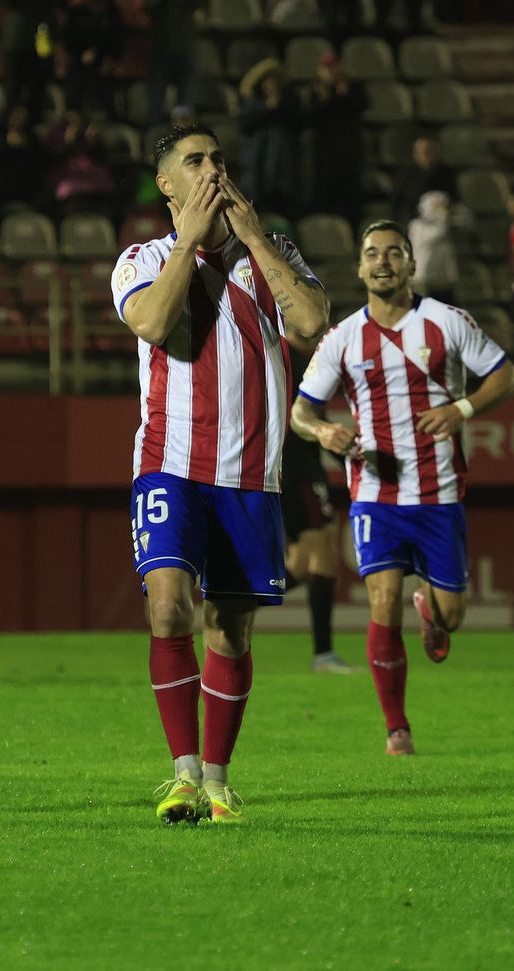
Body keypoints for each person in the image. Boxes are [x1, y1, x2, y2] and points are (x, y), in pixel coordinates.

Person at [112, 123, 329, 824]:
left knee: (230, 630)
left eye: (220, 160)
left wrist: (258, 238)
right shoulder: (142, 256)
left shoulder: (271, 255)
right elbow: (151, 322)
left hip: (249, 471)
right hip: (169, 463)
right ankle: (179, 775)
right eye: (196, 162)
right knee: (169, 603)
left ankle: (216, 780)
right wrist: (189, 241)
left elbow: (311, 323)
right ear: (167, 184)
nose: (213, 170)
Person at [293, 221, 514, 755]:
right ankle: (397, 727)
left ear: (411, 265)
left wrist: (461, 408)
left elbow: (507, 377)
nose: (382, 262)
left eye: (394, 253)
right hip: (375, 494)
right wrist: (325, 430)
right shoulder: (343, 338)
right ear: (359, 268)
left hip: (439, 493)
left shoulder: (447, 322)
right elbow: (301, 412)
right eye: (372, 253)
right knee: (382, 598)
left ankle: (434, 613)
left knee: (452, 616)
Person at [280, 337, 348, 674]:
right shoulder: (287, 357)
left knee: (303, 565)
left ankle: (232, 600)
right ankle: (323, 655)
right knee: (321, 558)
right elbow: (301, 422)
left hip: (293, 471)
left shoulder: (291, 357)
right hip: (297, 473)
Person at [305, 52, 367, 222]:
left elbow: (363, 105)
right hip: (325, 153)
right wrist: (326, 99)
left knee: (350, 197)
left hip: (350, 151)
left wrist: (346, 93)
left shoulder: (352, 87)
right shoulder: (316, 89)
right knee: (324, 195)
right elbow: (309, 118)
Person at [237, 58, 302, 215]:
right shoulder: (253, 103)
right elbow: (244, 126)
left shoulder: (288, 102)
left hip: (283, 164)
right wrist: (267, 108)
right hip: (258, 163)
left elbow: (298, 123)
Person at [144, 0, 203, 122]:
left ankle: (182, 135)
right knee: (156, 99)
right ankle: (155, 135)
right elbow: (149, 8)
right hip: (161, 53)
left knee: (185, 100)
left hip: (185, 52)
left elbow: (198, 2)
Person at [61, 0, 124, 118]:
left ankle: (109, 119)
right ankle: (74, 117)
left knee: (106, 95)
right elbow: (68, 39)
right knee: (76, 91)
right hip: (79, 63)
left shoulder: (111, 14)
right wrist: (80, 54)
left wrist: (111, 58)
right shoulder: (77, 14)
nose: (99, 7)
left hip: (104, 64)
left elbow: (117, 39)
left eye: (102, 4)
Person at [409, 190, 473, 302]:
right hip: (424, 281)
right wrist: (442, 215)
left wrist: (456, 210)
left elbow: (467, 222)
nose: (442, 210)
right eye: (437, 207)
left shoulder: (448, 224)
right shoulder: (417, 226)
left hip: (445, 280)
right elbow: (437, 233)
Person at [390, 135, 456, 225]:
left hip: (441, 222)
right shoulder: (405, 175)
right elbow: (398, 206)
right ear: (415, 153)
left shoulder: (447, 173)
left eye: (429, 150)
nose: (425, 154)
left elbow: (453, 200)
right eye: (421, 150)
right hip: (413, 223)